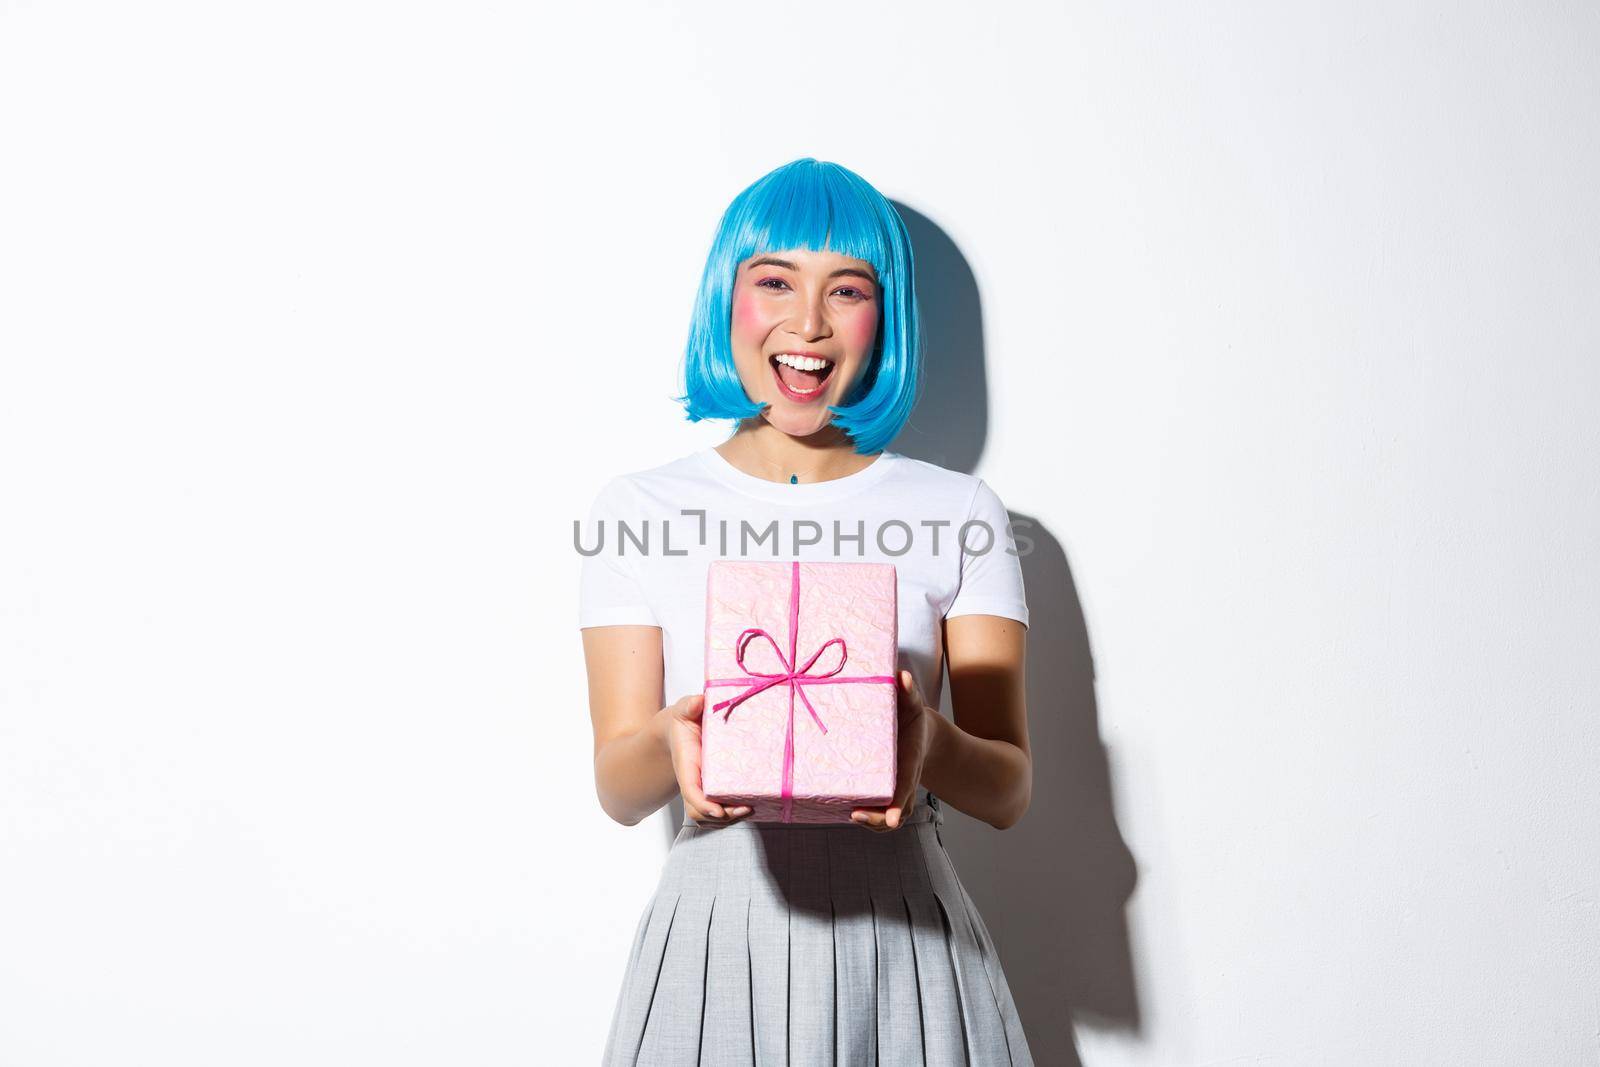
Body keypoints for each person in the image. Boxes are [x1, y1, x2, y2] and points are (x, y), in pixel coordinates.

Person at [579, 158, 1035, 1065]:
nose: (809, 323)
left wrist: (926, 742)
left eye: (849, 289)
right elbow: (618, 786)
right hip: (713, 930)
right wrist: (676, 733)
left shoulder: (959, 512)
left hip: (906, 939)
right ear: (728, 297)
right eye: (775, 281)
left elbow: (1010, 788)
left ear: (884, 314)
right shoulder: (637, 510)